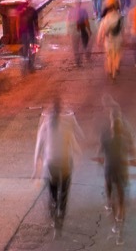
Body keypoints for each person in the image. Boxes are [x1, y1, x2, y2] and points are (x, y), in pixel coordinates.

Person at [34, 97, 84, 237]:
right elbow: (75, 146)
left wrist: (35, 171)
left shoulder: (45, 124)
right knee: (64, 192)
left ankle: (53, 210)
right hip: (65, 164)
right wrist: (78, 160)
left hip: (51, 165)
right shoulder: (67, 124)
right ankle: (60, 215)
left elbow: (38, 147)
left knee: (53, 191)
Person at [101, 104, 135, 242]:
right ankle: (120, 230)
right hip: (122, 171)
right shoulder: (125, 140)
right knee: (122, 200)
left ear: (112, 128)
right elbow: (133, 152)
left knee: (111, 197)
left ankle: (114, 221)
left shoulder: (107, 140)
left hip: (109, 171)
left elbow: (102, 153)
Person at [97, 0, 125, 80]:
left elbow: (101, 31)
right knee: (116, 54)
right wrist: (124, 38)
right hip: (118, 39)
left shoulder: (105, 19)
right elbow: (122, 29)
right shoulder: (119, 17)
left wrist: (99, 39)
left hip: (108, 40)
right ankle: (115, 70)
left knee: (109, 55)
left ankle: (110, 69)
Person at [71, 0, 93, 66]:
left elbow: (68, 22)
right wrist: (89, 30)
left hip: (74, 30)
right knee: (83, 43)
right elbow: (86, 21)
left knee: (75, 46)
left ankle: (77, 60)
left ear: (75, 4)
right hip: (82, 29)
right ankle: (82, 58)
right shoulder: (83, 11)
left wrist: (68, 31)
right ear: (80, 4)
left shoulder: (71, 11)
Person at [20, 1, 40, 72]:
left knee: (25, 49)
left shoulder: (21, 11)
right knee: (33, 49)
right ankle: (30, 66)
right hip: (31, 33)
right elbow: (36, 24)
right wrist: (37, 33)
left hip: (24, 34)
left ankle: (25, 66)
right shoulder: (33, 11)